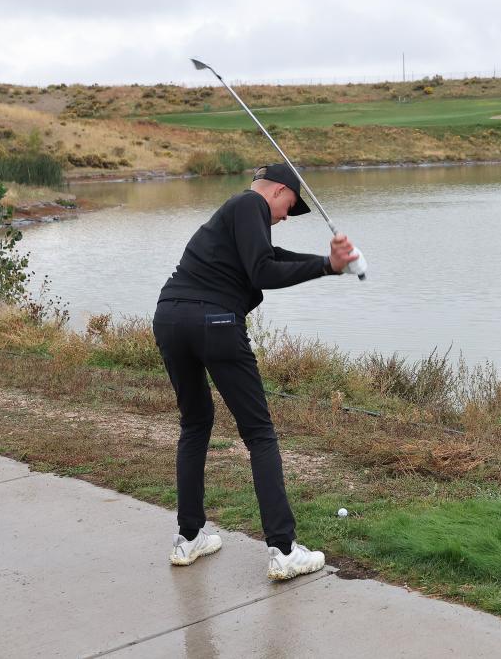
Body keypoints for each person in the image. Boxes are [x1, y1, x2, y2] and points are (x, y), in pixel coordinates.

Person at [153, 163, 359, 580]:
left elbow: (271, 259)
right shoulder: (250, 204)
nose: (285, 217)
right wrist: (327, 267)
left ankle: (188, 537)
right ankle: (283, 550)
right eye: (288, 207)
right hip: (214, 322)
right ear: (278, 191)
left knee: (195, 424)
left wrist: (330, 264)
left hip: (170, 318)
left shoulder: (234, 218)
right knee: (259, 433)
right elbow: (264, 270)